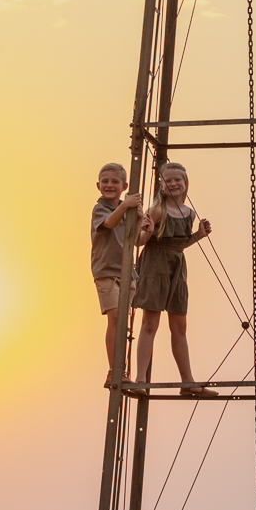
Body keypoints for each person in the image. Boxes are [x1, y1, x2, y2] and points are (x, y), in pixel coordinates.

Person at [133, 161, 218, 398]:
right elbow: (138, 241)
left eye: (177, 180)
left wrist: (199, 236)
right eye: (168, 180)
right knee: (150, 324)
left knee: (179, 326)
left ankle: (188, 381)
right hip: (154, 266)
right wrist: (147, 231)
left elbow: (178, 245)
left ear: (185, 183)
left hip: (177, 267)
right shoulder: (156, 210)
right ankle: (140, 379)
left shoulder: (189, 213)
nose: (173, 184)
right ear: (161, 184)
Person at [90, 162, 141, 386]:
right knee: (115, 318)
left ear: (124, 186)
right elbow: (109, 224)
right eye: (106, 181)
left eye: (115, 182)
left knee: (124, 323)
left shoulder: (126, 210)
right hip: (107, 270)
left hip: (126, 271)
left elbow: (137, 240)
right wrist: (125, 206)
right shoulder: (100, 208)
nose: (109, 185)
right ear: (98, 185)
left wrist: (140, 219)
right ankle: (114, 371)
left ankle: (122, 369)